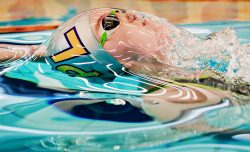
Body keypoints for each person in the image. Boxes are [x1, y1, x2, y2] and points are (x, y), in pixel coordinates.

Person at [0, 8, 247, 122]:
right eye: (109, 23)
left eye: (116, 11)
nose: (127, 14)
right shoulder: (167, 98)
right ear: (120, 60)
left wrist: (35, 52)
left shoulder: (203, 55)